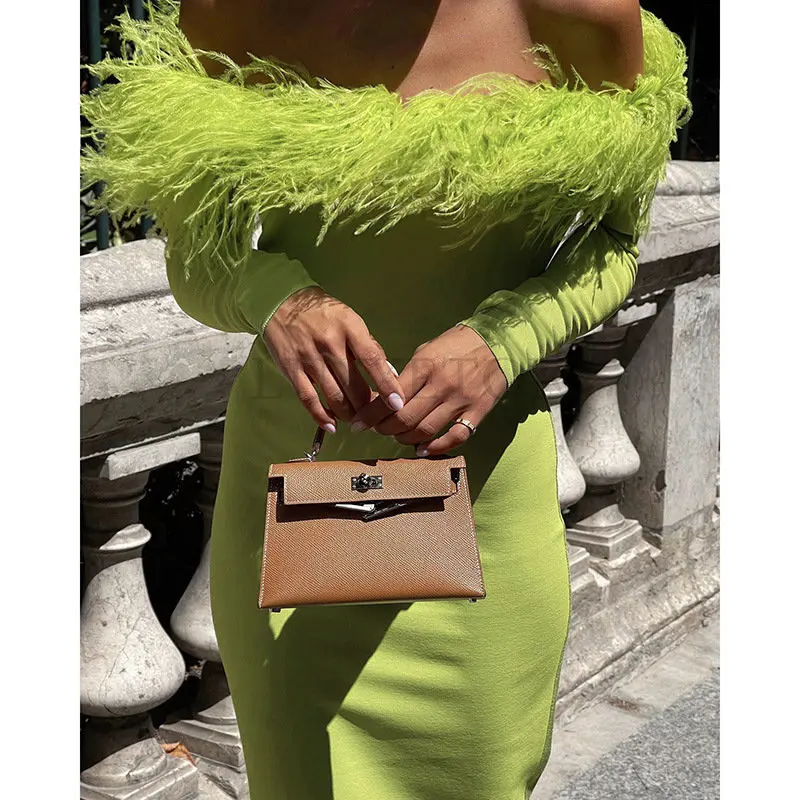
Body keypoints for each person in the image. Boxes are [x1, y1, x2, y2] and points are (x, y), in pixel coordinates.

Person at [81, 1, 690, 797]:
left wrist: (504, 339)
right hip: (294, 491)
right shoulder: (237, 10)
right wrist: (278, 300)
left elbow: (614, 246)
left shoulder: (581, 13)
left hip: (484, 500)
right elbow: (199, 255)